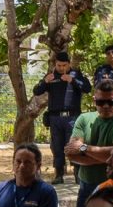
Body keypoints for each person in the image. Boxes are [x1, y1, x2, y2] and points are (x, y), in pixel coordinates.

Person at [62, 81, 113, 202]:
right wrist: (109, 157)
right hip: (86, 186)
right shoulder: (84, 119)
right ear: (94, 100)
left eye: (111, 102)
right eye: (100, 102)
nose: (105, 106)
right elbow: (72, 154)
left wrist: (83, 148)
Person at [36, 51, 88, 183]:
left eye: (64, 65)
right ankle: (59, 175)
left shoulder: (76, 74)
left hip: (72, 117)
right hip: (55, 118)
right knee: (56, 146)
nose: (61, 68)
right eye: (59, 65)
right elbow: (36, 91)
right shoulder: (51, 76)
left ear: (69, 64)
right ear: (55, 64)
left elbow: (87, 88)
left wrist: (73, 80)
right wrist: (44, 81)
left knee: (73, 145)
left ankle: (78, 174)